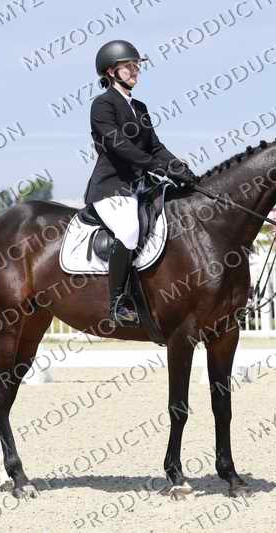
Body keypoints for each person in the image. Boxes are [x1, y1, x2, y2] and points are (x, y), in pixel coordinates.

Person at [85, 39, 198, 326]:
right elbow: (119, 146)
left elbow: (155, 146)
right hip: (112, 188)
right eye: (129, 66)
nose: (136, 70)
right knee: (129, 229)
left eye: (136, 65)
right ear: (111, 72)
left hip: (142, 186)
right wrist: (159, 167)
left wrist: (179, 168)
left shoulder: (140, 107)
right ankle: (117, 303)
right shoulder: (102, 105)